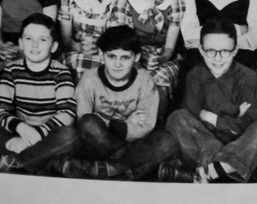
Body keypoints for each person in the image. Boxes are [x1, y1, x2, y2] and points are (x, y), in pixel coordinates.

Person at [163, 18, 257, 183]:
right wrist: (234, 117)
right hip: (210, 145)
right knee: (177, 117)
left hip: (240, 144)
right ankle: (225, 167)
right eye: (211, 51)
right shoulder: (195, 76)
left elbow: (251, 124)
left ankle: (210, 170)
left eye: (225, 51)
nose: (217, 58)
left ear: (235, 50)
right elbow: (193, 121)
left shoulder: (248, 77)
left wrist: (212, 118)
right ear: (201, 50)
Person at [64, 26, 179, 180]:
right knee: (89, 123)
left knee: (167, 141)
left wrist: (109, 124)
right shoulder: (89, 79)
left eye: (125, 57)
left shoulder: (144, 80)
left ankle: (106, 169)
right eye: (111, 56)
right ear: (101, 54)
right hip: (101, 144)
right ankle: (125, 170)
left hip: (135, 143)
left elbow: (145, 126)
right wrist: (125, 123)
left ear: (137, 57)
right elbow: (84, 119)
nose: (117, 64)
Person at [0, 13, 76, 173]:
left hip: (48, 133)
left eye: (43, 40)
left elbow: (67, 114)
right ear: (21, 43)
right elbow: (1, 111)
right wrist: (22, 129)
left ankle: (11, 162)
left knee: (70, 136)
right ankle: (38, 163)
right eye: (29, 39)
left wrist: (35, 135)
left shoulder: (62, 72)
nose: (35, 45)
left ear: (53, 46)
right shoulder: (12, 69)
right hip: (18, 130)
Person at [108, 0, 185, 114]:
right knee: (133, 76)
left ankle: (156, 126)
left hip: (163, 58)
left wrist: (162, 58)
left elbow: (170, 47)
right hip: (133, 56)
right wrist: (139, 61)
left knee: (160, 78)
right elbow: (124, 42)